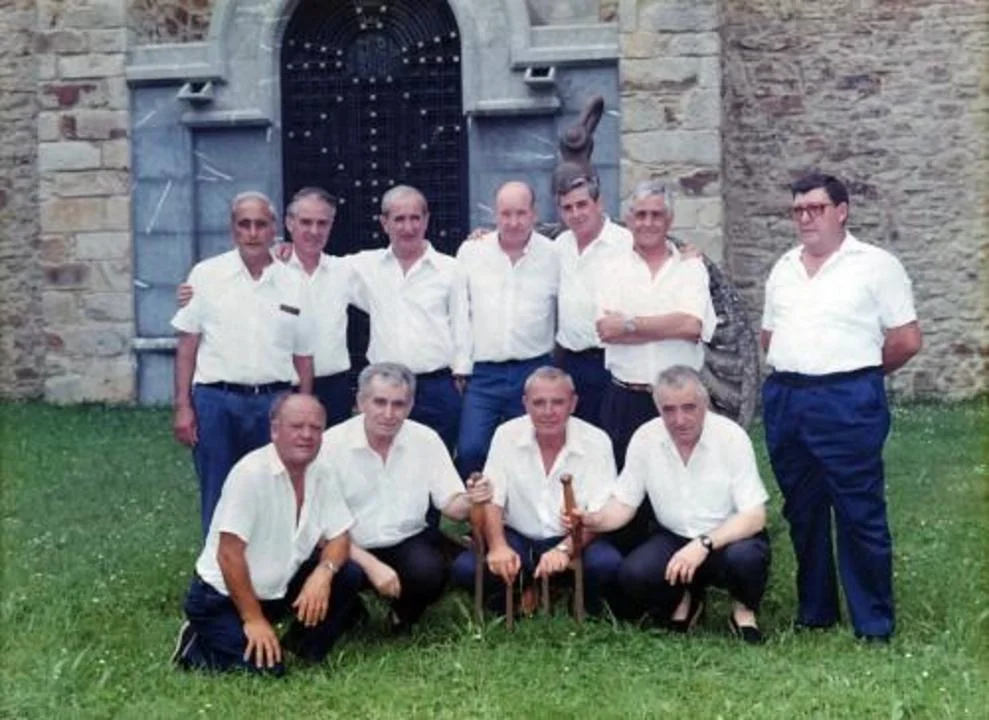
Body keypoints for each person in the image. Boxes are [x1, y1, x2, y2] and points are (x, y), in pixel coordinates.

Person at [761, 172, 922, 642]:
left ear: (842, 211)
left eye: (816, 208)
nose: (805, 218)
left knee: (858, 510)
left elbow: (907, 339)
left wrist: (859, 373)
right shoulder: (783, 267)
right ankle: (816, 612)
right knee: (802, 509)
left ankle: (873, 621)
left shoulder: (875, 265)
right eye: (798, 210)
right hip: (787, 398)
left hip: (847, 400)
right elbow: (769, 336)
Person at [576, 366, 771, 643]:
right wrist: (593, 520)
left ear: (705, 403)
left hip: (727, 536)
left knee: (746, 559)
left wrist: (703, 544)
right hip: (673, 536)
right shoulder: (645, 437)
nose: (680, 420)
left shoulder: (731, 436)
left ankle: (743, 611)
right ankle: (686, 597)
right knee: (635, 575)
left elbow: (755, 515)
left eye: (689, 407)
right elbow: (623, 504)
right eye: (669, 410)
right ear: (657, 408)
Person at [172, 394, 362, 675]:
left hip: (275, 591)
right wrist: (253, 620)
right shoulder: (250, 474)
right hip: (222, 597)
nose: (307, 435)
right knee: (268, 671)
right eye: (296, 426)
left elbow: (340, 536)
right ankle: (197, 644)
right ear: (274, 430)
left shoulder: (321, 471)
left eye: (315, 428)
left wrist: (323, 573)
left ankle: (302, 648)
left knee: (347, 574)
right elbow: (229, 554)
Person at [172, 191, 315, 535]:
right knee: (218, 491)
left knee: (273, 491)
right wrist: (183, 406)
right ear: (233, 228)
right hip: (216, 402)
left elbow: (303, 355)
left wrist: (304, 408)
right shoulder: (206, 275)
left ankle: (271, 563)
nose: (253, 233)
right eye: (244, 224)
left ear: (274, 229)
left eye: (261, 225)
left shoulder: (294, 282)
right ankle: (216, 565)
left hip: (273, 403)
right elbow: (187, 345)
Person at [318, 362, 491, 632]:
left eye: (398, 404)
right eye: (379, 402)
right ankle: (351, 610)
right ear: (360, 402)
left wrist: (473, 497)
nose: (388, 414)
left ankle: (402, 614)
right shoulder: (331, 445)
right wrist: (371, 565)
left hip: (405, 540)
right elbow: (320, 528)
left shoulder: (426, 439)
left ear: (410, 406)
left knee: (430, 572)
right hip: (347, 545)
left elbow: (451, 505)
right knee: (342, 575)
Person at [451, 367, 622, 615]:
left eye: (558, 402)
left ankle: (562, 590)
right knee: (467, 569)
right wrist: (498, 546)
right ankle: (528, 588)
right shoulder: (506, 434)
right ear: (525, 403)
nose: (548, 411)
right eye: (539, 403)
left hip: (574, 537)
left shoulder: (597, 440)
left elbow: (599, 513)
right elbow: (493, 500)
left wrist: (564, 549)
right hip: (520, 536)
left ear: (573, 404)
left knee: (607, 564)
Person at [595, 179, 717, 469]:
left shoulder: (690, 268)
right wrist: (669, 325)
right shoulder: (610, 269)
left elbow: (692, 327)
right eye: (641, 214)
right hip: (626, 400)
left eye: (656, 214)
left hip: (680, 403)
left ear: (669, 220)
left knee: (683, 485)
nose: (647, 223)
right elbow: (607, 330)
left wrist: (628, 324)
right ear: (629, 219)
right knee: (627, 487)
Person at [348, 186, 471, 453]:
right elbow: (318, 266)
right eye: (399, 219)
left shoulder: (450, 269)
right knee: (385, 457)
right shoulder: (366, 266)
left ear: (426, 220)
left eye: (415, 218)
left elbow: (461, 322)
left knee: (438, 458)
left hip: (437, 386)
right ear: (384, 223)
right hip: (385, 387)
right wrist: (284, 250)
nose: (408, 227)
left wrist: (461, 372)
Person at [455, 181, 559, 476]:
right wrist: (461, 365)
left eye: (521, 213)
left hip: (533, 369)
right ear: (494, 214)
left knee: (529, 452)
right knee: (471, 449)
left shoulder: (553, 254)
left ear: (534, 213)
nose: (513, 222)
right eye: (506, 214)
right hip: (483, 374)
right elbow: (461, 311)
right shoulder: (472, 252)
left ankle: (519, 505)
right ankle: (480, 504)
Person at [553, 171, 633, 427]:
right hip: (570, 362)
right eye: (567, 208)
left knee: (611, 436)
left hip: (613, 360)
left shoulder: (626, 243)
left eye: (582, 204)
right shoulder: (559, 246)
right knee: (575, 436)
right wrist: (483, 238)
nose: (575, 213)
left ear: (599, 203)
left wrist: (688, 254)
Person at [281, 187, 354, 426]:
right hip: (284, 386)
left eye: (322, 223)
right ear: (289, 223)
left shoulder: (345, 271)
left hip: (335, 388)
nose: (314, 231)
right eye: (306, 222)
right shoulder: (270, 270)